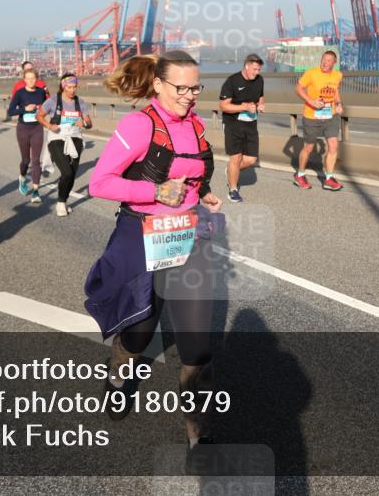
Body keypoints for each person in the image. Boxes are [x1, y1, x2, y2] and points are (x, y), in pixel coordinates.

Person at [85, 51, 223, 464]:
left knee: (197, 347)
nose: (189, 95)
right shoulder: (138, 125)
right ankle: (118, 375)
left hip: (189, 240)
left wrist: (203, 193)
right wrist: (155, 192)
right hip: (143, 238)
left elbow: (190, 173)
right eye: (181, 87)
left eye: (195, 87)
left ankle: (199, 434)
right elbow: (99, 183)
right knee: (139, 335)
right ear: (159, 85)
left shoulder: (197, 124)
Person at [37, 72, 93, 217]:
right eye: (69, 87)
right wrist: (49, 126)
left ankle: (63, 199)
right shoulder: (53, 101)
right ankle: (61, 202)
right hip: (56, 137)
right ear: (63, 86)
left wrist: (84, 123)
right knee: (66, 172)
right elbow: (39, 116)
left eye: (74, 87)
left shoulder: (80, 102)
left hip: (75, 138)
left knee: (72, 174)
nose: (72, 90)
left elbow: (89, 123)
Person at [218, 53, 265, 202]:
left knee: (251, 160)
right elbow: (223, 106)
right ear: (246, 66)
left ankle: (231, 170)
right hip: (233, 124)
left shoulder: (260, 80)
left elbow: (261, 96)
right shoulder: (232, 81)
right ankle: (233, 190)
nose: (256, 73)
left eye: (258, 70)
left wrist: (261, 104)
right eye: (254, 69)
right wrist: (244, 107)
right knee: (236, 157)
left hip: (251, 123)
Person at [294, 50, 344, 190]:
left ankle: (329, 178)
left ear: (334, 63)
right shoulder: (311, 73)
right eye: (323, 59)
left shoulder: (338, 75)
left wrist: (339, 103)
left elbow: (336, 90)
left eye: (329, 60)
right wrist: (311, 101)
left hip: (330, 115)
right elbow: (298, 88)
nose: (325, 63)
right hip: (312, 116)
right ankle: (300, 174)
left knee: (333, 145)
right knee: (309, 147)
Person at [7, 69, 47, 204]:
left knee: (36, 161)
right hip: (23, 129)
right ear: (24, 80)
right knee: (26, 160)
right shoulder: (20, 93)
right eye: (28, 78)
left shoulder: (41, 92)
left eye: (33, 78)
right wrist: (25, 109)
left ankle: (35, 191)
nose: (31, 81)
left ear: (37, 79)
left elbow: (47, 107)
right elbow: (10, 111)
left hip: (37, 128)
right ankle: (22, 177)